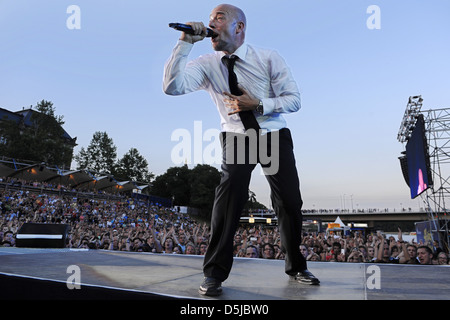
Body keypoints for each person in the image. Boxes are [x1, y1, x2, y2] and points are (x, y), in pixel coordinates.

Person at [163, 3, 319, 296]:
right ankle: (213, 274)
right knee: (228, 199)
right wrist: (184, 44)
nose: (211, 23)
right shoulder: (208, 63)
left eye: (218, 18)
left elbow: (294, 100)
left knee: (288, 202)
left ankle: (296, 266)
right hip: (236, 137)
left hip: (272, 133)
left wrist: (258, 104)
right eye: (209, 19)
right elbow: (172, 87)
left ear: (239, 27)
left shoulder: (268, 57)